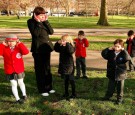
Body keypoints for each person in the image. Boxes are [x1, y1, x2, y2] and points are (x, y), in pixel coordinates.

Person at [27, 6, 55, 96]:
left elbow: (51, 32)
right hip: (38, 50)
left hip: (46, 48)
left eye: (44, 14)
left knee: (47, 69)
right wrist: (39, 23)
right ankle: (42, 89)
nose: (43, 16)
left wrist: (46, 21)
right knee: (40, 70)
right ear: (36, 15)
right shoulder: (31, 22)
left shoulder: (44, 22)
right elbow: (35, 34)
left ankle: (49, 87)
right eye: (41, 14)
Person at [0, 34, 29, 104]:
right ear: (6, 42)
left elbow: (26, 52)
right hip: (9, 69)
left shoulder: (18, 47)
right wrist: (2, 45)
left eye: (13, 41)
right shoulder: (4, 48)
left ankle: (24, 94)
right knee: (13, 84)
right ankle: (17, 99)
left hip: (19, 69)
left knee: (21, 82)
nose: (11, 43)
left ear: (16, 41)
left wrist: (20, 43)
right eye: (9, 41)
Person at [101, 39, 130, 104]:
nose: (116, 48)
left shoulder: (123, 53)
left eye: (118, 47)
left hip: (121, 74)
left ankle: (119, 99)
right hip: (112, 72)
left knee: (120, 88)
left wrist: (124, 50)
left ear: (122, 47)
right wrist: (108, 49)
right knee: (111, 86)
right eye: (115, 46)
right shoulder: (111, 52)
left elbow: (128, 58)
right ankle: (108, 96)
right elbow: (103, 54)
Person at [54, 34, 76, 99]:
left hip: (69, 65)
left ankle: (73, 93)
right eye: (61, 40)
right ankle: (66, 93)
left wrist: (67, 44)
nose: (62, 41)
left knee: (71, 80)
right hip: (63, 65)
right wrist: (57, 43)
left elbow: (70, 51)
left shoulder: (71, 46)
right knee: (65, 80)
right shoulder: (62, 46)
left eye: (63, 40)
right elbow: (56, 49)